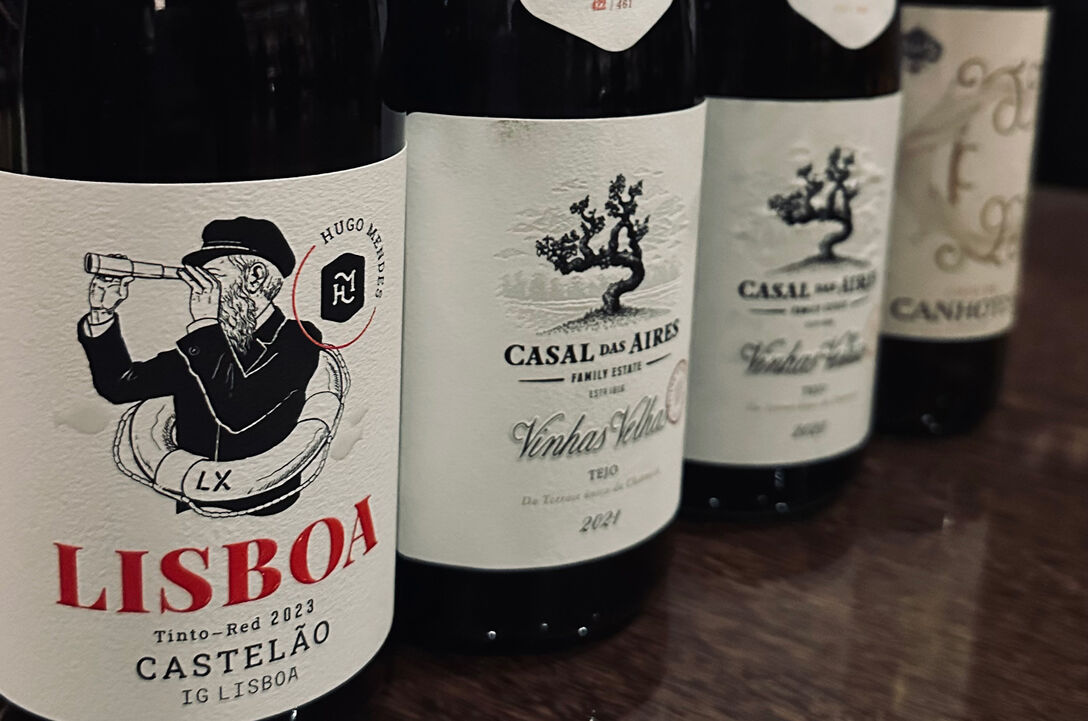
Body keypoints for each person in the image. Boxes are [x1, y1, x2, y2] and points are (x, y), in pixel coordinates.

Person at [78, 217, 322, 514]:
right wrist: (102, 313)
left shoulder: (298, 338)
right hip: (192, 505)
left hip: (265, 504)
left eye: (213, 277)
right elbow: (119, 386)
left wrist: (206, 326)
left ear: (255, 277)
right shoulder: (203, 345)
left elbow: (241, 412)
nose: (197, 290)